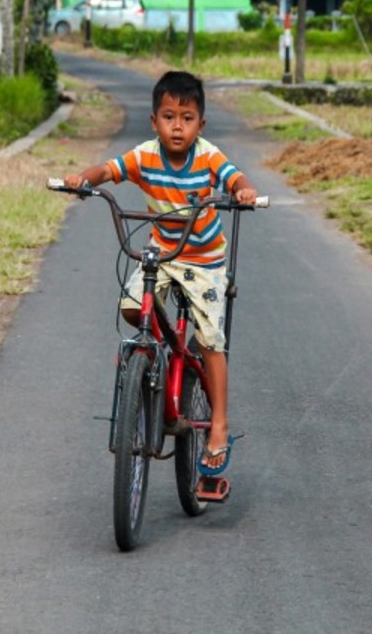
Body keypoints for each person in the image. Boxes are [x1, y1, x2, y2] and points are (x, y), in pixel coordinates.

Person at [64, 70, 258, 476]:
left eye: (187, 118)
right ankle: (152, 360)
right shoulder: (145, 156)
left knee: (210, 340)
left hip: (204, 259)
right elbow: (108, 170)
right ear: (154, 121)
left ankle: (219, 426)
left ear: (200, 125)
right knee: (133, 309)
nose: (177, 126)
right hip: (161, 253)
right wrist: (83, 179)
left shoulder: (206, 156)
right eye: (169, 116)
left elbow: (234, 176)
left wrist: (243, 190)